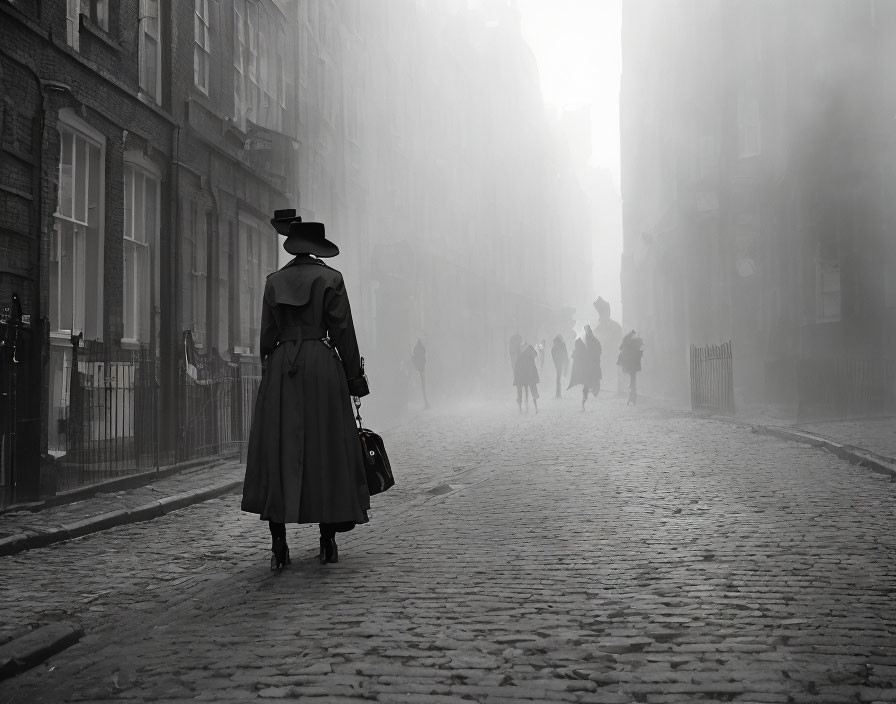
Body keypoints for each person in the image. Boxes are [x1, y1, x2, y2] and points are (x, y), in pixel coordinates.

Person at [241, 209, 371, 570]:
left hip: (284, 366)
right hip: (322, 366)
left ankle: (278, 544)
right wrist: (354, 380)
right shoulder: (332, 279)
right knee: (326, 446)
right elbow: (343, 331)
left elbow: (266, 338)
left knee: (277, 448)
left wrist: (277, 365)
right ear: (318, 249)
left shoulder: (273, 282)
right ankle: (327, 539)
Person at [568, 325, 601, 410]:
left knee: (594, 384)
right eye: (586, 330)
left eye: (589, 330)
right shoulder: (581, 341)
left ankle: (591, 398)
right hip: (586, 368)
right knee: (586, 386)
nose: (588, 332)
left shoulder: (594, 340)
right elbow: (576, 353)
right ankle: (584, 403)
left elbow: (599, 350)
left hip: (593, 367)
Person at [617, 330, 644, 405]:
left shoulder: (627, 340)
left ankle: (631, 397)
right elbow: (642, 349)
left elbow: (621, 348)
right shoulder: (638, 341)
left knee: (631, 380)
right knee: (632, 380)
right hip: (633, 363)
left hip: (629, 363)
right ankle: (632, 397)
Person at [513, 343, 540, 413]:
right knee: (520, 392)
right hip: (520, 376)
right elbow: (517, 367)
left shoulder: (530, 357)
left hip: (527, 377)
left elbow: (533, 367)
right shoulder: (522, 356)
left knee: (529, 391)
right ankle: (520, 406)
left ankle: (530, 406)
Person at [411, 338, 429, 409]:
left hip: (418, 368)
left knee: (422, 385)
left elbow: (415, 358)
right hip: (421, 369)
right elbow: (423, 359)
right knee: (422, 385)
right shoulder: (421, 349)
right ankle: (425, 402)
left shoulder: (417, 350)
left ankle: (425, 402)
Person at [550, 334, 569, 398]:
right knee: (558, 378)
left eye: (556, 342)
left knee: (561, 376)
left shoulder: (562, 346)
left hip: (563, 362)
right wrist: (557, 365)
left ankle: (560, 392)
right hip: (559, 363)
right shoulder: (554, 349)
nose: (555, 344)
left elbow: (565, 355)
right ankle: (558, 393)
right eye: (555, 343)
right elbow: (554, 358)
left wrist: (564, 362)